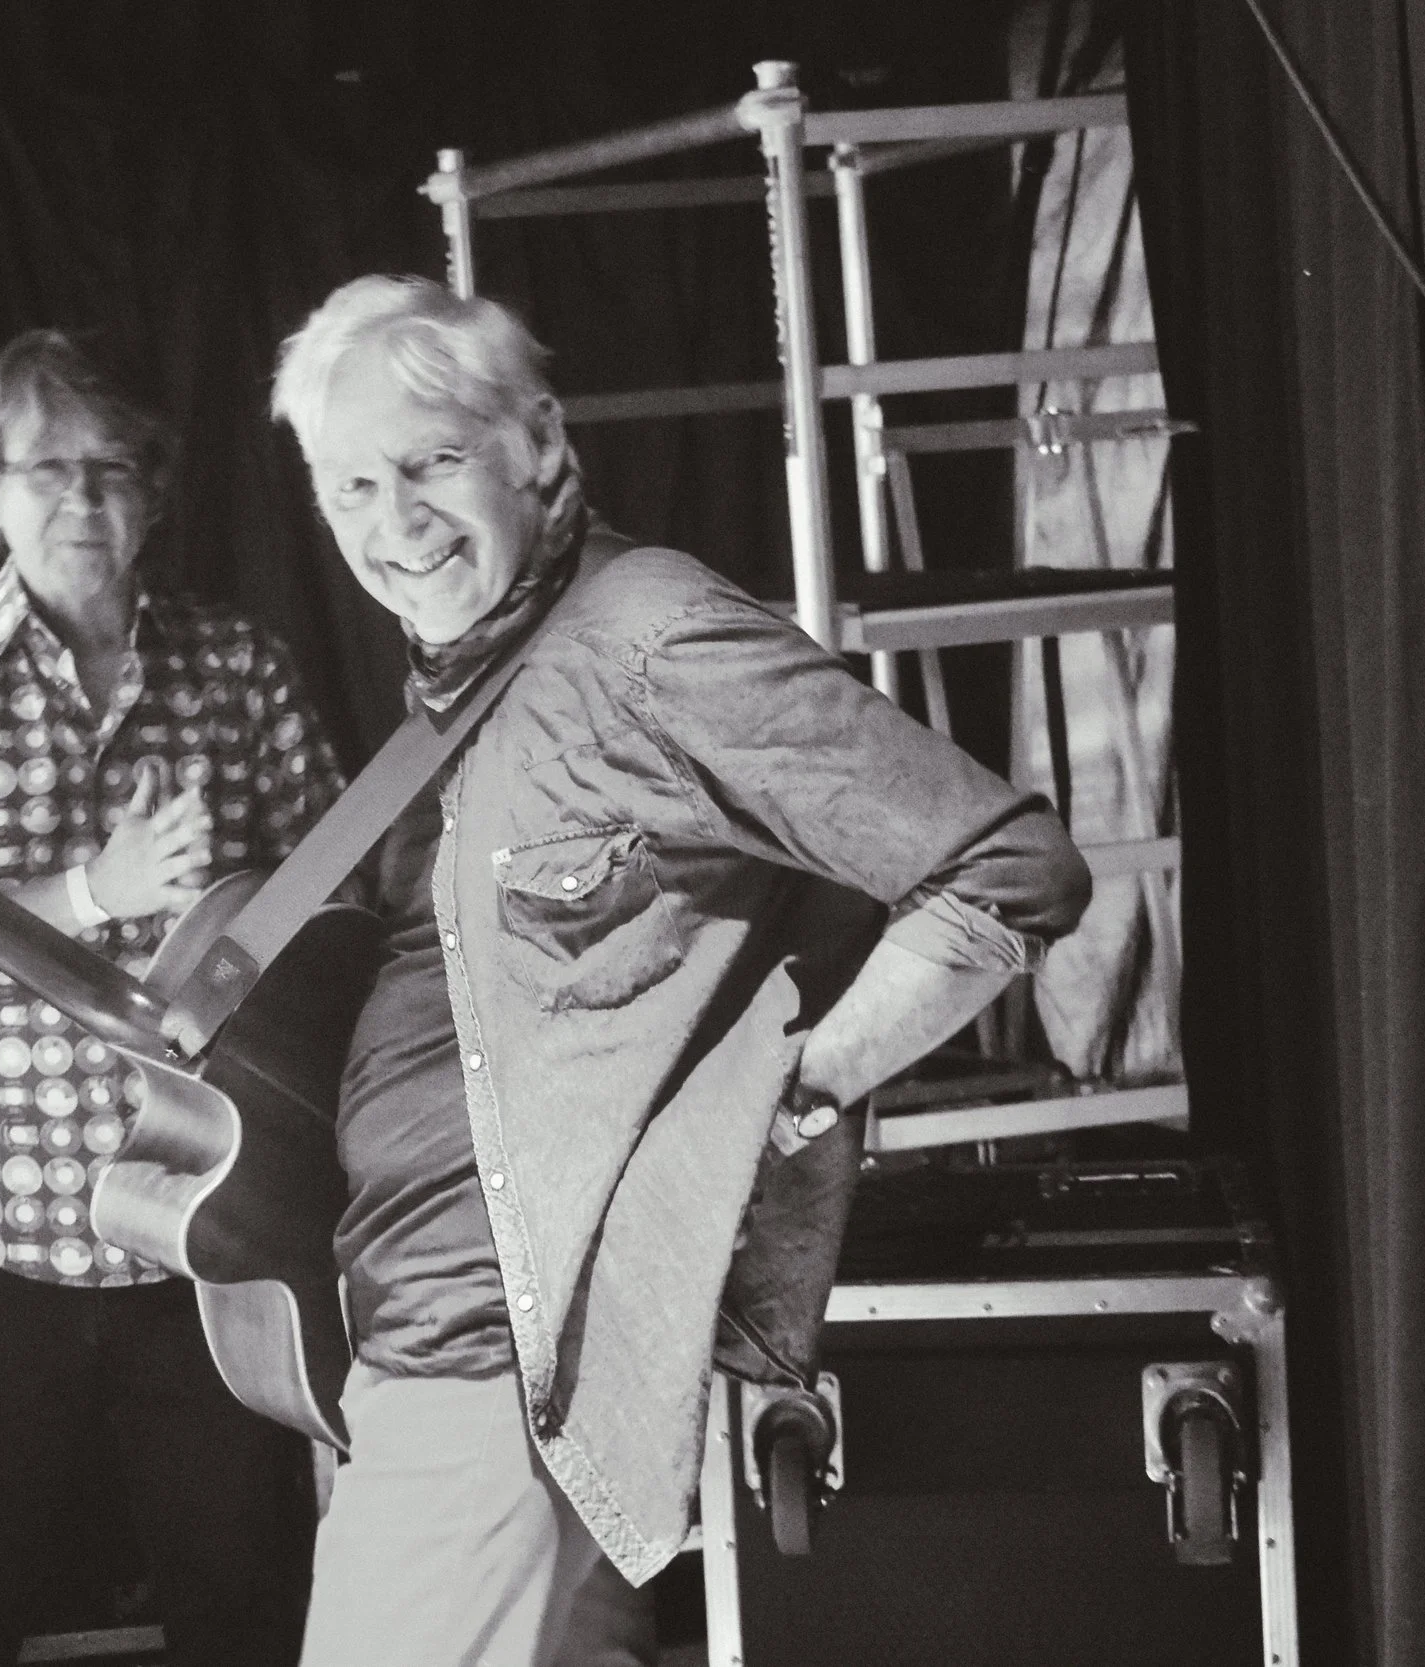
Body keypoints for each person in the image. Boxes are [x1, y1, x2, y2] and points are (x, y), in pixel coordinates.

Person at [267, 276, 1094, 1666]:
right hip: (437, 1361)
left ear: (536, 439)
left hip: (493, 1372)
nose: (393, 527)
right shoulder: (471, 677)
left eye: (431, 465)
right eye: (351, 486)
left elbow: (1012, 869)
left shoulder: (649, 637)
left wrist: (788, 1093)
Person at [0, 329, 339, 1667]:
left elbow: (339, 915)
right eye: (48, 470)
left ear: (154, 494)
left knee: (244, 1600)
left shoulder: (241, 667)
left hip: (208, 1231)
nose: (83, 502)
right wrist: (89, 893)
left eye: (113, 472)